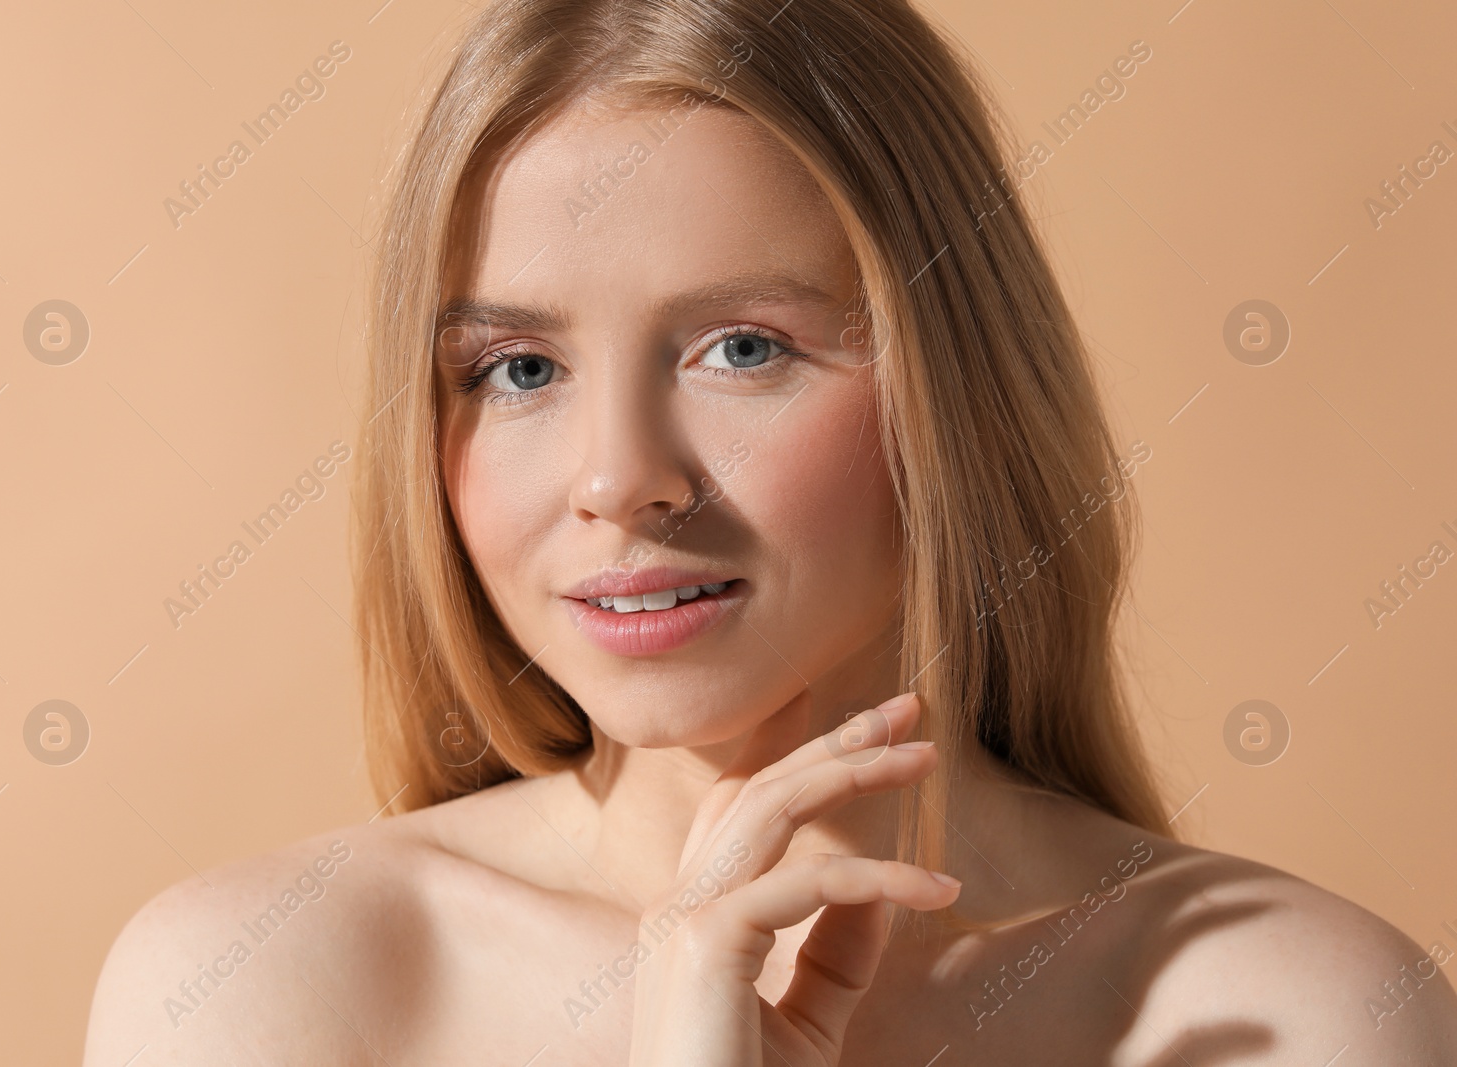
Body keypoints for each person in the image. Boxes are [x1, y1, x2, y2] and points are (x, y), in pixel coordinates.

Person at [83, 0, 1457, 1062]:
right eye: (517, 369)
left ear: (954, 384)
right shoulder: (260, 989)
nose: (620, 481)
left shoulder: (1293, 1011)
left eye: (741, 347)